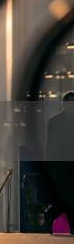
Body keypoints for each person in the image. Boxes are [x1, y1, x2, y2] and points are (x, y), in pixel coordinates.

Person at [45, 91, 74, 234]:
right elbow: (51, 144)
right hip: (62, 164)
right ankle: (52, 212)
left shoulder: (55, 121)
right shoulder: (55, 122)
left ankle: (52, 212)